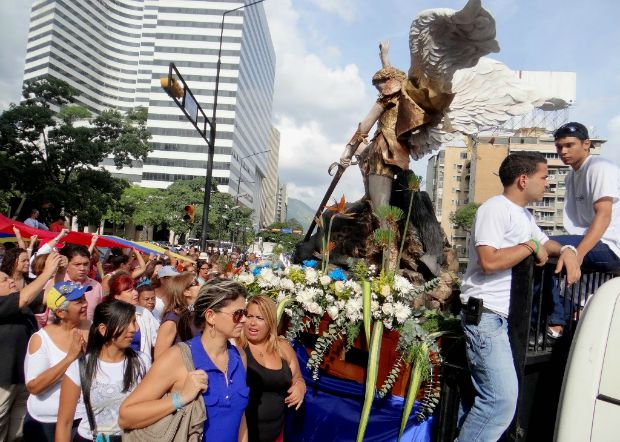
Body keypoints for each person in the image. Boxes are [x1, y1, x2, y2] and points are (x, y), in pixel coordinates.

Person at [457, 152, 579, 441]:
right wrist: (528, 246)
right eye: (544, 176)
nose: (548, 183)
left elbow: (545, 243)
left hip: (500, 319)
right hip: (485, 318)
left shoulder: (523, 214)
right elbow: (489, 261)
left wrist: (567, 251)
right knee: (499, 402)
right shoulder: (495, 209)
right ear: (523, 180)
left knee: (485, 400)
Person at [119, 279, 250, 442]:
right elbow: (127, 416)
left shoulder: (239, 356)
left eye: (245, 313)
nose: (244, 320)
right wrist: (180, 398)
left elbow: (240, 416)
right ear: (211, 316)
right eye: (238, 314)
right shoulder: (177, 358)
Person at [547, 122, 620, 338]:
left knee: (545, 247)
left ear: (586, 144)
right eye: (559, 147)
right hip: (594, 241)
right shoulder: (572, 176)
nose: (563, 151)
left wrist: (577, 254)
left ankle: (556, 324)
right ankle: (567, 317)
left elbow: (603, 216)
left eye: (569, 145)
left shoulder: (598, 168)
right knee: (546, 253)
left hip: (611, 244)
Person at [55, 300, 150, 442]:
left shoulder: (142, 361)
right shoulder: (80, 367)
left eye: (134, 322)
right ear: (103, 329)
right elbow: (64, 423)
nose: (133, 329)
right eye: (126, 323)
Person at [0, 252, 64, 442]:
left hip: (24, 379)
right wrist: (47, 272)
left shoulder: (21, 304)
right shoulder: (10, 303)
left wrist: (58, 274)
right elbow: (25, 298)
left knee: (19, 433)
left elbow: (53, 297)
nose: (11, 281)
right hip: (3, 381)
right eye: (4, 280)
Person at [23, 281, 91, 441]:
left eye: (84, 299)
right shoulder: (41, 339)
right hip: (47, 421)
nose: (85, 304)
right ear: (61, 313)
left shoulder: (91, 328)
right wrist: (70, 357)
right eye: (78, 302)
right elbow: (34, 386)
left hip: (81, 417)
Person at [239, 295, 306, 442]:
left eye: (260, 318)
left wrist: (300, 386)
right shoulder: (237, 347)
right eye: (249, 316)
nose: (253, 323)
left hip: (276, 435)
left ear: (270, 322)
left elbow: (298, 378)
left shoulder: (283, 347)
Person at [108, 272, 159, 362]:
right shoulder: (108, 316)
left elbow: (158, 340)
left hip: (141, 367)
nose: (135, 293)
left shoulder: (144, 313)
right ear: (117, 296)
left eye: (134, 289)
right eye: (129, 291)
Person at [153, 272, 201, 360]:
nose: (200, 285)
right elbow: (159, 358)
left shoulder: (194, 314)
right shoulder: (173, 319)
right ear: (186, 292)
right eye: (196, 283)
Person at [61, 245, 104, 321]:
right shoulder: (57, 284)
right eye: (77, 265)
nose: (82, 268)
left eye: (86, 264)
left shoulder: (96, 286)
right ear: (66, 265)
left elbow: (99, 314)